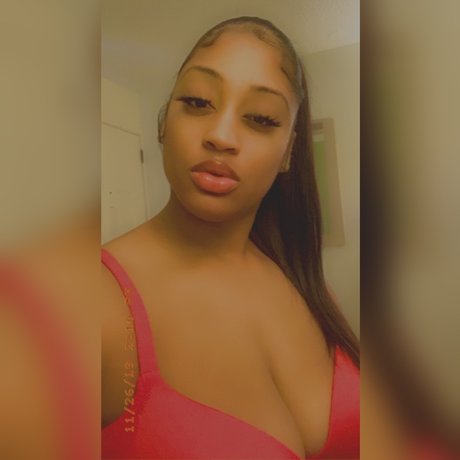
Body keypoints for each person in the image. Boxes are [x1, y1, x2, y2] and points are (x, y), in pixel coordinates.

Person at [101, 16, 359, 459]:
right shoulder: (96, 304)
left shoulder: (305, 284)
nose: (220, 136)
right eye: (198, 102)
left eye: (260, 118)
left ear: (288, 152)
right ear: (164, 123)